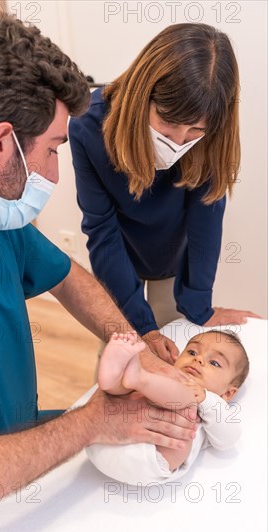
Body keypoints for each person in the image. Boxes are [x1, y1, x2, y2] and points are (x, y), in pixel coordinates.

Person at [0, 10, 198, 532]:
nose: (55, 174)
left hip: (15, 447)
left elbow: (68, 280)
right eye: (54, 149)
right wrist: (93, 422)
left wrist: (128, 341)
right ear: (0, 144)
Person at [69, 23, 260, 366]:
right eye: (169, 124)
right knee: (121, 352)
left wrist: (200, 306)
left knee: (173, 345)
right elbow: (101, 229)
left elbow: (206, 220)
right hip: (116, 254)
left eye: (194, 131)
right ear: (144, 95)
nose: (179, 141)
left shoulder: (212, 135)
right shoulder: (88, 126)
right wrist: (140, 327)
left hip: (172, 254)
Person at [86, 329, 249, 485]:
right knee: (131, 394)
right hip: (104, 440)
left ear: (227, 394)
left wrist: (207, 400)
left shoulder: (214, 406)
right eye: (192, 352)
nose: (198, 359)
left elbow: (229, 439)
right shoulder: (163, 374)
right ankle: (113, 382)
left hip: (152, 459)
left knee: (185, 399)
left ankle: (132, 379)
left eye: (214, 363)